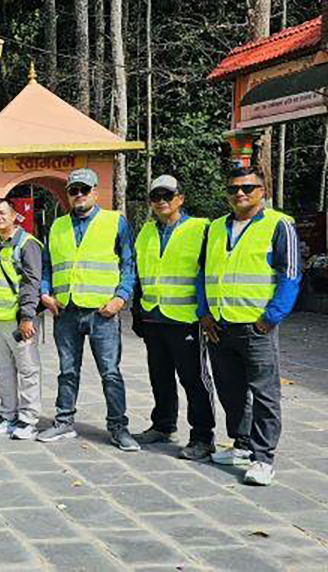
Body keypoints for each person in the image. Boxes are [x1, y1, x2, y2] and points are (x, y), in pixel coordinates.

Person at [201, 166, 301, 486]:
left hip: (256, 327)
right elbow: (203, 272)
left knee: (264, 394)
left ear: (262, 190)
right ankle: (242, 445)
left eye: (247, 188)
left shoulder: (279, 225)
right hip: (220, 325)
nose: (240, 194)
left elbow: (290, 275)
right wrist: (204, 313)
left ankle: (263, 458)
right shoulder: (216, 227)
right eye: (233, 189)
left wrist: (271, 318)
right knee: (230, 391)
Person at [39, 168, 139, 452]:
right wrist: (45, 293)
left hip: (102, 311)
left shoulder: (115, 222)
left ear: (95, 192)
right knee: (67, 371)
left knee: (110, 372)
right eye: (74, 190)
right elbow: (47, 265)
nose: (79, 195)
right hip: (66, 310)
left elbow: (129, 264)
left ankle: (118, 427)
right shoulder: (57, 226)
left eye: (84, 189)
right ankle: (63, 421)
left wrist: (120, 298)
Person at [131, 175, 216, 461]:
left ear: (180, 198)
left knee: (193, 379)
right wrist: (136, 311)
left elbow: (208, 272)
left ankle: (202, 436)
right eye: (155, 197)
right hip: (153, 316)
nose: (161, 202)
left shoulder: (200, 228)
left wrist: (206, 312)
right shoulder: (146, 231)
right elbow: (140, 273)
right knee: (160, 375)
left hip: (186, 318)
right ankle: (163, 425)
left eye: (167, 196)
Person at [0, 199, 45, 440]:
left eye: (2, 213)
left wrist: (27, 317)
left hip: (19, 321)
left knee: (27, 370)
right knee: (3, 371)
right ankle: (7, 415)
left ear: (14, 215)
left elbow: (32, 282)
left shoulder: (27, 244)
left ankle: (28, 420)